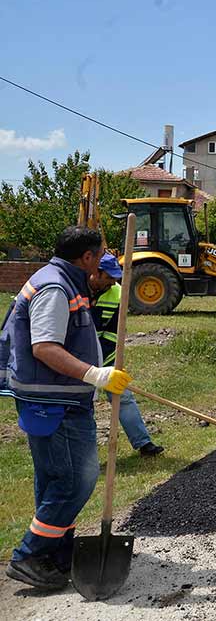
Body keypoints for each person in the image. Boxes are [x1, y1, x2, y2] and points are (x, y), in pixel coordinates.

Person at [0, 227, 132, 589]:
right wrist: (95, 375)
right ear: (87, 257)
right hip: (52, 403)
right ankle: (29, 555)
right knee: (76, 481)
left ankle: (54, 555)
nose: (104, 259)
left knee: (55, 479)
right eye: (100, 253)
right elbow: (44, 347)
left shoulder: (64, 280)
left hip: (55, 399)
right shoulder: (55, 287)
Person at [88, 254, 163, 457]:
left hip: (106, 356)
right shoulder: (76, 290)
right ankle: (83, 454)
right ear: (96, 272)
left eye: (115, 277)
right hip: (76, 360)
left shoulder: (117, 294)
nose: (113, 281)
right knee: (82, 407)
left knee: (123, 397)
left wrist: (105, 369)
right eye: (109, 277)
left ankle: (144, 444)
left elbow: (113, 334)